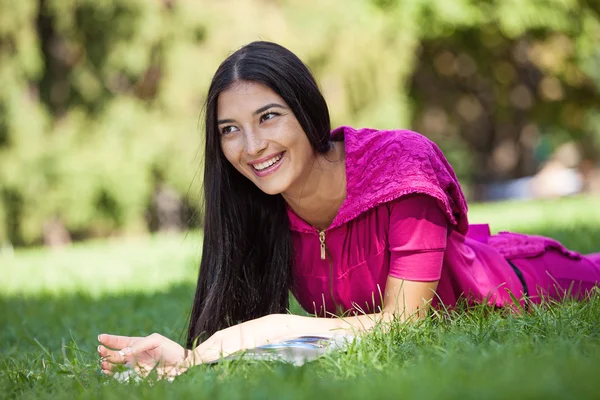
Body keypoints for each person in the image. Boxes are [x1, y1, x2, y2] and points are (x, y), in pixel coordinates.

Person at [97, 41, 600, 378]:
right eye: (230, 129)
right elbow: (326, 341)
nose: (251, 146)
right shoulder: (258, 205)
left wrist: (274, 327)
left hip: (519, 284)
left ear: (307, 109)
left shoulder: (402, 167)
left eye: (268, 117)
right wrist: (191, 360)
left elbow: (401, 324)